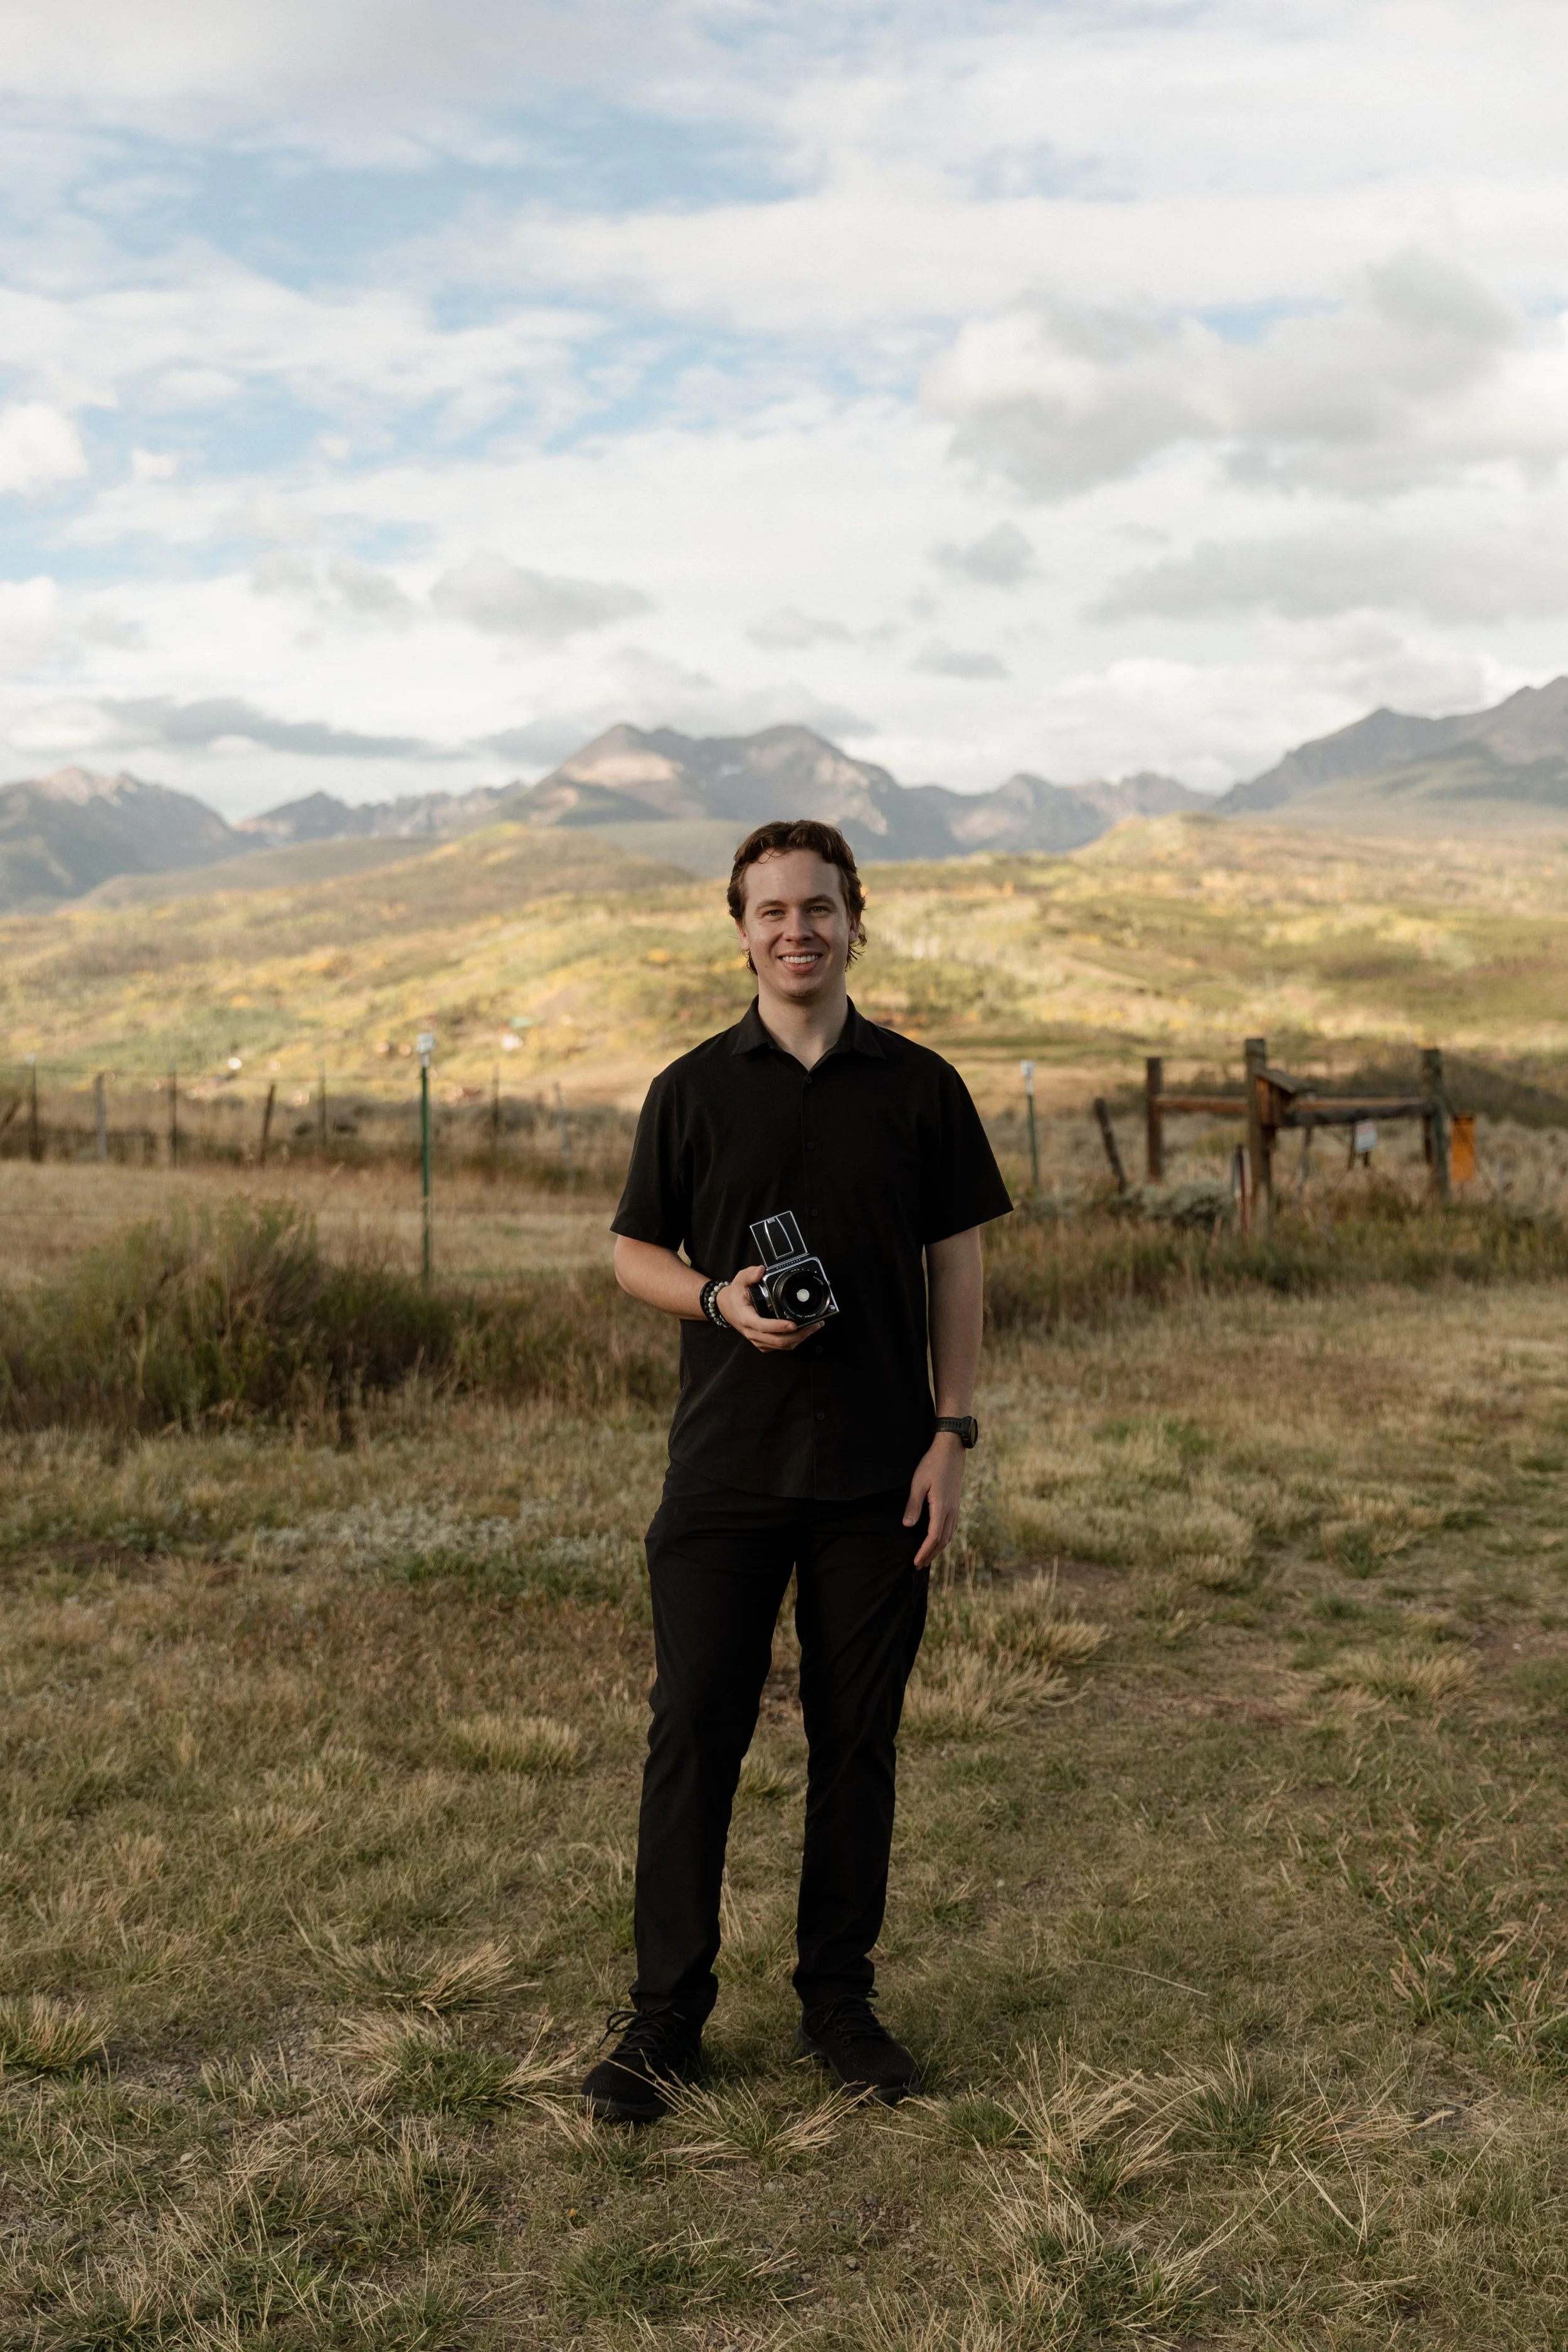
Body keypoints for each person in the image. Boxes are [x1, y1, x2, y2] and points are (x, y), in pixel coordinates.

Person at [582, 817, 1012, 2123]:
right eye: (771, 911)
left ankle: (838, 2003)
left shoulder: (922, 1088)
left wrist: (951, 1434)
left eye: (817, 908)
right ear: (741, 931)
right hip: (724, 1469)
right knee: (691, 1736)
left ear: (854, 922)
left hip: (883, 1471)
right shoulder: (691, 1089)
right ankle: (664, 2018)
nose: (796, 930)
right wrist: (720, 1299)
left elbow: (956, 1264)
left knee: (856, 1740)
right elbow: (630, 1254)